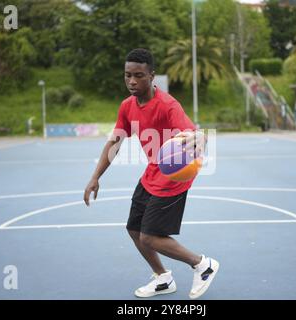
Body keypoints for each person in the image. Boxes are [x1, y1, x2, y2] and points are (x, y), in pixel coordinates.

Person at [83, 48, 219, 299]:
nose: (132, 81)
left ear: (151, 76)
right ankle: (163, 278)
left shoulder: (168, 105)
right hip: (153, 173)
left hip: (175, 176)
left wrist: (200, 137)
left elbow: (193, 133)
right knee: (134, 229)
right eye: (127, 75)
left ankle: (202, 264)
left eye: (138, 75)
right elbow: (114, 142)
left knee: (150, 237)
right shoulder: (127, 107)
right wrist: (95, 177)